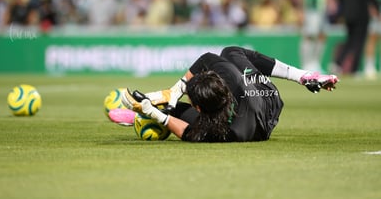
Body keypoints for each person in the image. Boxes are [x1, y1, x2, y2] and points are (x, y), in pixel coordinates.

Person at [122, 46, 338, 143]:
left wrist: (155, 114)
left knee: (174, 115)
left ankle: (145, 114)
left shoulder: (228, 132)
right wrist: (175, 91)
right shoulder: (232, 77)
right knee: (230, 52)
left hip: (266, 103)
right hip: (251, 92)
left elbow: (190, 133)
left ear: (199, 109)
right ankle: (303, 75)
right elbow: (206, 57)